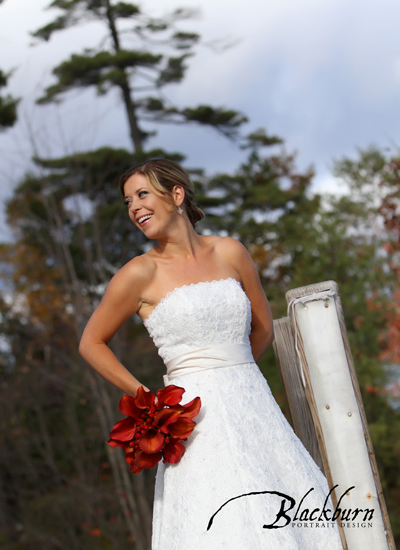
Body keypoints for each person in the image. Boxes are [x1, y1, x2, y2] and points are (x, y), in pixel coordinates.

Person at [79, 158, 343, 550]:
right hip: (193, 420)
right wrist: (148, 399)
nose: (134, 207)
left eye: (142, 194)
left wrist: (238, 377)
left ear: (177, 195)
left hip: (255, 407)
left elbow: (264, 328)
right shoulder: (138, 273)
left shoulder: (230, 252)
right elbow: (90, 343)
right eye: (127, 201)